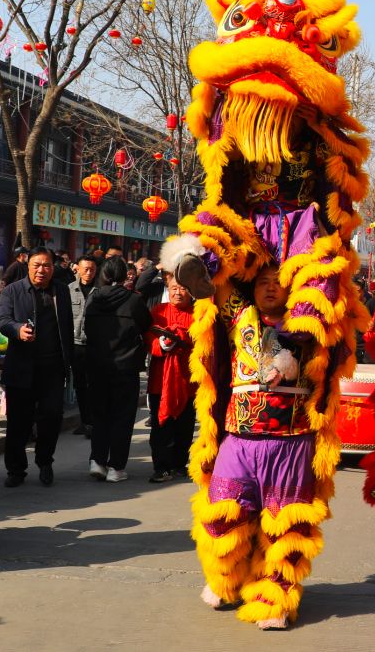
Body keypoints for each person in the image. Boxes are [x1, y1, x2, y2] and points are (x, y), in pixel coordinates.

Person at [193, 264, 331, 630]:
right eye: (263, 282)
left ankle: (274, 597)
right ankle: (229, 578)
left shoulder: (310, 319)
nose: (270, 289)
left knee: (284, 525)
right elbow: (211, 277)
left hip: (291, 441)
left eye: (277, 283)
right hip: (239, 438)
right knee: (224, 515)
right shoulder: (240, 314)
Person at [0, 247, 74, 487]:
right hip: (21, 366)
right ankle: (16, 469)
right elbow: (1, 319)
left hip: (52, 367)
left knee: (52, 417)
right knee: (19, 421)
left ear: (53, 267)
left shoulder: (61, 291)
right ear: (27, 266)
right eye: (37, 265)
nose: (42, 270)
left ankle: (45, 461)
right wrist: (17, 330)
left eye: (46, 265)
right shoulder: (13, 291)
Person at [83, 256, 151, 482]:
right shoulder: (133, 301)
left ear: (103, 274)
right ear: (125, 276)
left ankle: (97, 460)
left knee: (100, 414)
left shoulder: (93, 299)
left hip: (96, 365)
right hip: (125, 367)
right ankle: (116, 467)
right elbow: (146, 325)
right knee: (122, 417)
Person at [145, 250, 196, 482]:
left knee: (184, 426)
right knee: (160, 426)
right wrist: (160, 344)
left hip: (188, 379)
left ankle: (179, 463)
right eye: (174, 288)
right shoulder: (158, 312)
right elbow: (148, 339)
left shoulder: (199, 313)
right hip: (160, 380)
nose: (178, 292)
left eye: (182, 288)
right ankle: (161, 466)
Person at [68, 255, 98, 438]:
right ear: (77, 269)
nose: (88, 273)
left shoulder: (101, 291)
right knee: (79, 385)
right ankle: (84, 421)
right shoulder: (68, 290)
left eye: (92, 269)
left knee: (93, 385)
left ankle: (93, 422)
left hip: (94, 345)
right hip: (75, 344)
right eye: (85, 269)